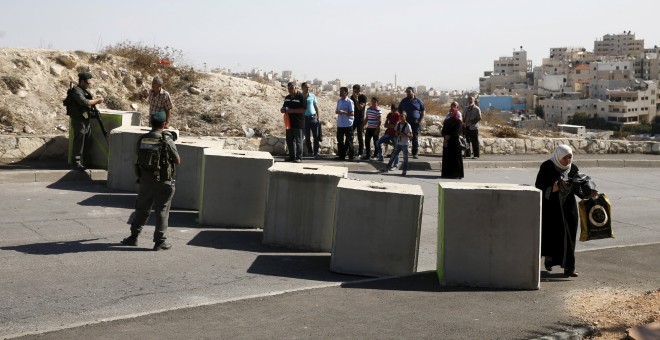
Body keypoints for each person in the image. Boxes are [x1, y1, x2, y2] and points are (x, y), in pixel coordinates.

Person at [121, 111, 181, 251]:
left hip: (145, 180)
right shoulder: (166, 140)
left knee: (142, 209)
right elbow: (177, 160)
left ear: (151, 123)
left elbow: (138, 154)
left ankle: (134, 236)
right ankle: (159, 241)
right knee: (162, 210)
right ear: (164, 124)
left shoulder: (143, 139)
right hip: (163, 181)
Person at [535, 145, 597, 277]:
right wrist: (552, 189)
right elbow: (539, 185)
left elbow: (578, 187)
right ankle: (549, 260)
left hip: (569, 208)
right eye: (565, 157)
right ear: (558, 156)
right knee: (552, 236)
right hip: (551, 208)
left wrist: (589, 193)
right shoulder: (547, 166)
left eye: (570, 157)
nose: (567, 160)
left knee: (569, 237)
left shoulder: (573, 168)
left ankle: (570, 268)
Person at [63, 72, 105, 171]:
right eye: (87, 82)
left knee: (88, 141)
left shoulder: (83, 91)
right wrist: (97, 100)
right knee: (79, 142)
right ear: (82, 81)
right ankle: (76, 163)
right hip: (79, 120)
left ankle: (87, 162)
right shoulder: (76, 91)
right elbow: (84, 102)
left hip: (85, 119)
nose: (89, 84)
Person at [281, 82, 307, 162]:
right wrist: (282, 109)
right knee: (289, 140)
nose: (290, 90)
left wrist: (292, 111)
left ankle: (299, 157)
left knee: (298, 141)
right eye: (289, 89)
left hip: (298, 123)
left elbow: (303, 109)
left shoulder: (301, 97)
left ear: (296, 88)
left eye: (292, 88)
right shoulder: (287, 97)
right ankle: (292, 156)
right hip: (289, 123)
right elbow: (284, 107)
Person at [398, 87, 425, 159]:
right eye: (407, 92)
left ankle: (415, 153)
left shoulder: (419, 101)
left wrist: (420, 120)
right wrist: (402, 117)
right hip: (406, 123)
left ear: (413, 92)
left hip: (415, 122)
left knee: (414, 137)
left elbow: (423, 111)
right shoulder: (403, 101)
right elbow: (399, 109)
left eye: (409, 92)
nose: (408, 93)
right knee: (404, 136)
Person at [440, 102, 464, 179]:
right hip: (447, 142)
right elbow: (443, 130)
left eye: (452, 111)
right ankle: (447, 173)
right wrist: (445, 135)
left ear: (455, 112)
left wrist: (449, 136)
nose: (451, 113)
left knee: (455, 158)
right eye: (450, 111)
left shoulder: (458, 121)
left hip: (454, 142)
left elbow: (457, 131)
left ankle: (456, 174)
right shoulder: (447, 121)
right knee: (447, 158)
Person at [375, 104, 401, 170]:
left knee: (396, 148)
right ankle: (381, 157)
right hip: (388, 133)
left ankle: (395, 165)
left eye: (394, 110)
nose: (393, 111)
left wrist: (390, 125)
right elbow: (385, 125)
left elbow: (396, 126)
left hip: (395, 134)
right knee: (378, 142)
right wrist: (390, 125)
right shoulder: (390, 114)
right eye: (392, 109)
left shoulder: (398, 115)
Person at [301, 82, 321, 158]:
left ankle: (316, 152)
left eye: (309, 87)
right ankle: (310, 151)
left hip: (313, 118)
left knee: (316, 136)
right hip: (304, 119)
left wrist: (318, 117)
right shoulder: (300, 96)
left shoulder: (312, 96)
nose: (308, 88)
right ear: (302, 88)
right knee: (307, 137)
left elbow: (316, 107)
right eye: (306, 87)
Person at [335, 86, 355, 160]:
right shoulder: (339, 101)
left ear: (346, 93)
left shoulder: (350, 102)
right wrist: (339, 111)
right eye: (340, 91)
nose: (340, 93)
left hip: (348, 124)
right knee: (340, 141)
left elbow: (352, 113)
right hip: (340, 124)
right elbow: (336, 111)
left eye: (342, 91)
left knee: (349, 141)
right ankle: (341, 155)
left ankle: (351, 156)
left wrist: (344, 112)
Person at [350, 84, 368, 157]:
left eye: (356, 91)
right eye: (353, 91)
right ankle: (350, 150)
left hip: (360, 120)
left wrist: (356, 99)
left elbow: (360, 108)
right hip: (353, 119)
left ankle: (360, 152)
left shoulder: (363, 97)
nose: (354, 93)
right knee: (350, 135)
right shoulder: (352, 97)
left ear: (359, 90)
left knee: (360, 137)